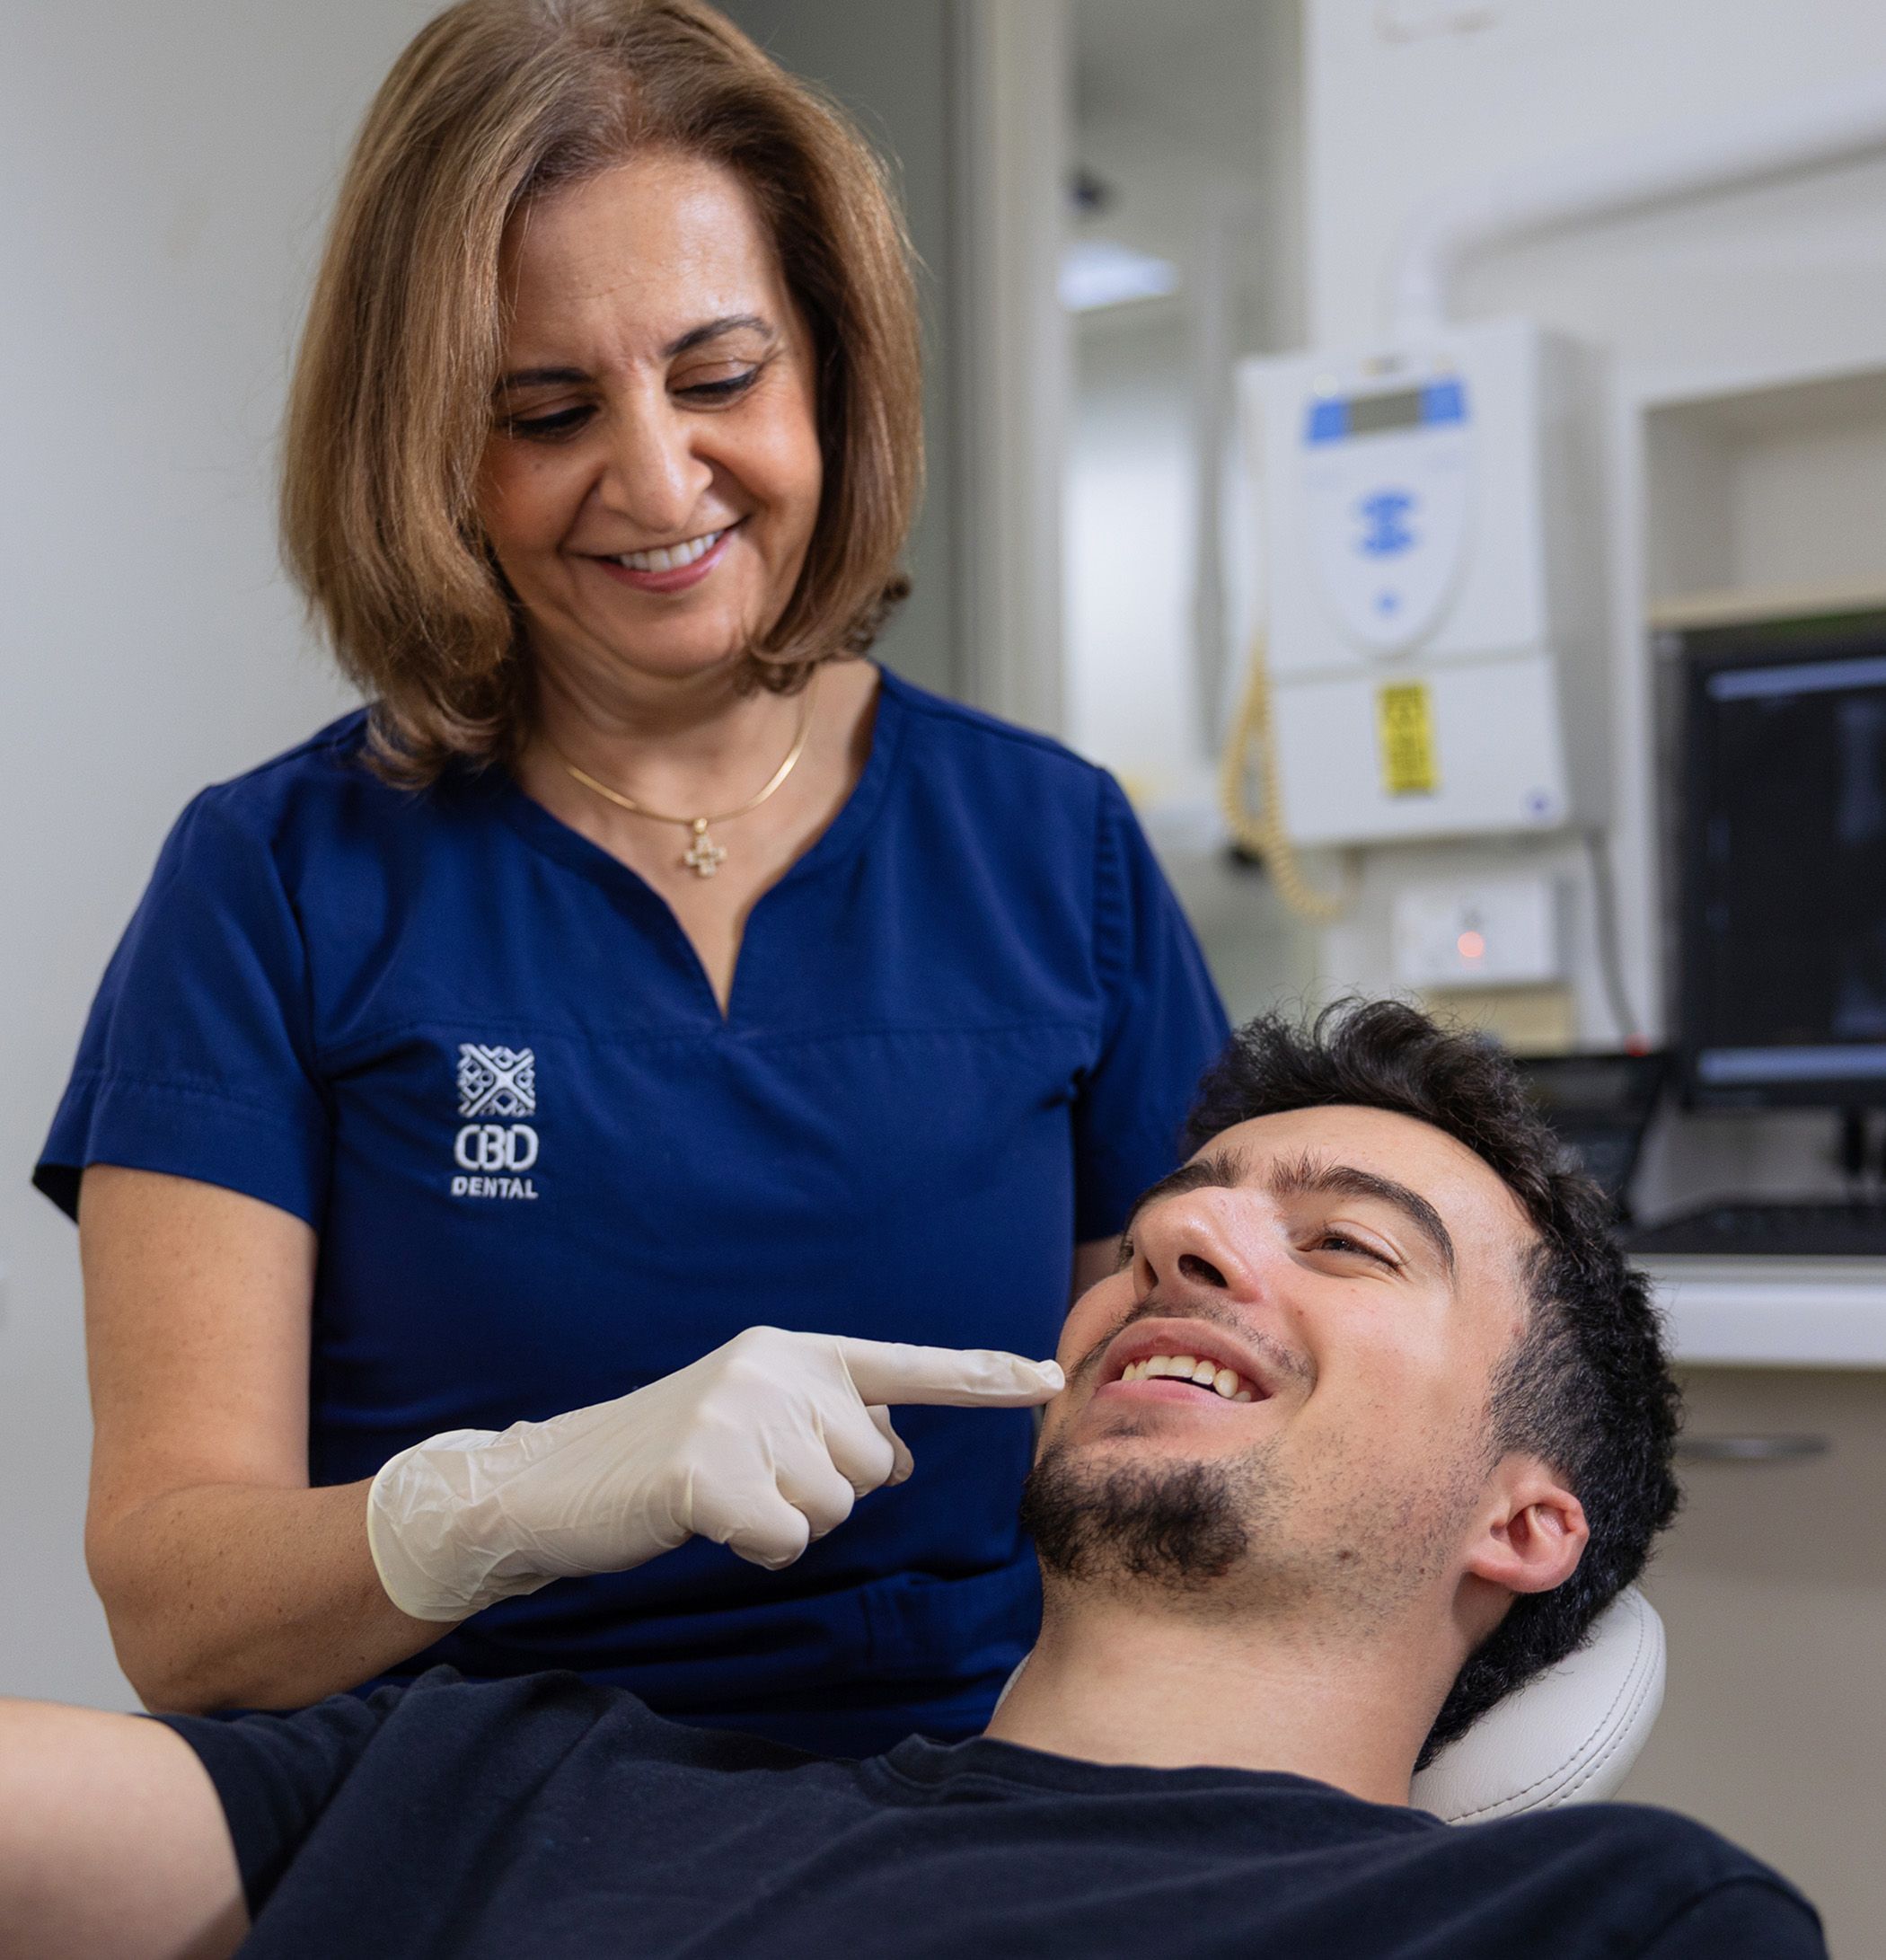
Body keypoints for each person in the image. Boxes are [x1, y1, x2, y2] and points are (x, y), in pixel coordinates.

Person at [31, 0, 1226, 1755]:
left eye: (722, 374)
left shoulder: (1053, 849)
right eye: (545, 407)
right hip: (462, 1815)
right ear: (427, 442)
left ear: (828, 365)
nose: (660, 477)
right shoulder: (278, 881)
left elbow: (1210, 1422)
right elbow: (175, 1606)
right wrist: (507, 1502)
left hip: (971, 1807)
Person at [2, 1003, 1825, 1958]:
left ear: (1530, 1515)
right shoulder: (519, 1771)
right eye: (1182, 1209)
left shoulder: (1584, 1920)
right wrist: (481, 1500)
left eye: (1347, 1242)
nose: (1182, 1229)